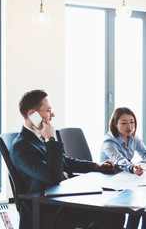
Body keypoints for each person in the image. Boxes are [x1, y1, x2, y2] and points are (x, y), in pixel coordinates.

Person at [11, 89, 125, 229]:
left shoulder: (38, 138)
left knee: (114, 205)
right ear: (31, 114)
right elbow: (53, 176)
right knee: (113, 214)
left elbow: (65, 161)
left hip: (64, 196)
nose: (52, 114)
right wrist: (50, 139)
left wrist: (96, 166)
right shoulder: (21, 146)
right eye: (48, 110)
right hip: (50, 207)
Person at [100, 107, 146, 229]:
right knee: (138, 202)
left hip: (126, 177)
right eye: (124, 123)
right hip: (111, 180)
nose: (129, 126)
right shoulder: (109, 141)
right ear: (115, 124)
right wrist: (132, 168)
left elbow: (145, 151)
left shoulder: (133, 137)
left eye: (132, 122)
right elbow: (119, 161)